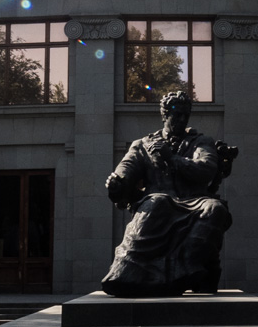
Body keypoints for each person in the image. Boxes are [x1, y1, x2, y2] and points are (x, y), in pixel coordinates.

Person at [101, 92, 239, 297]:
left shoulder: (201, 142)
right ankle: (128, 272)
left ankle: (188, 271)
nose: (182, 120)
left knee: (215, 209)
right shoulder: (142, 145)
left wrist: (171, 158)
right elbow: (125, 172)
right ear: (164, 115)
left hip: (195, 200)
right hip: (158, 199)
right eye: (177, 115)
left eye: (186, 115)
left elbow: (206, 169)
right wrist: (116, 184)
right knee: (158, 203)